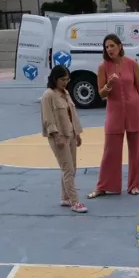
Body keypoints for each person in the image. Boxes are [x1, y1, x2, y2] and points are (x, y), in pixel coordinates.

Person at [89, 34, 139, 198]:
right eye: (106, 47)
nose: (109, 49)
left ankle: (134, 185)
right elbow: (101, 93)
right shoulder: (103, 67)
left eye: (112, 46)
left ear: (120, 46)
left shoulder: (132, 64)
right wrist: (109, 85)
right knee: (110, 150)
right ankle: (104, 186)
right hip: (114, 112)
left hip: (134, 110)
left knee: (136, 150)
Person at [42, 65, 87, 213]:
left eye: (67, 79)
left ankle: (65, 197)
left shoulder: (66, 93)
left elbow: (72, 115)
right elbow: (48, 119)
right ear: (54, 79)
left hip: (71, 134)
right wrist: (56, 136)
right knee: (68, 169)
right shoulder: (48, 95)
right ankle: (74, 202)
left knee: (71, 168)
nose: (65, 82)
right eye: (62, 79)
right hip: (60, 136)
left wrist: (77, 134)